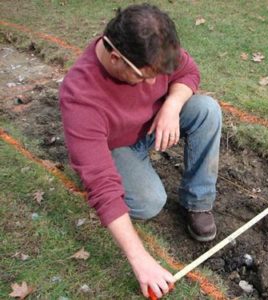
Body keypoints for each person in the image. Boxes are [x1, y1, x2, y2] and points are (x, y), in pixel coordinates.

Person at [59, 3, 221, 298]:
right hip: (115, 148)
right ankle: (127, 169)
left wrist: (171, 107)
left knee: (206, 109)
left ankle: (198, 202)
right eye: (146, 77)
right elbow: (102, 186)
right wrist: (141, 259)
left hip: (152, 124)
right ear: (115, 58)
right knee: (149, 202)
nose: (153, 83)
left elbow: (188, 72)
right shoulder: (80, 96)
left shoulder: (153, 48)